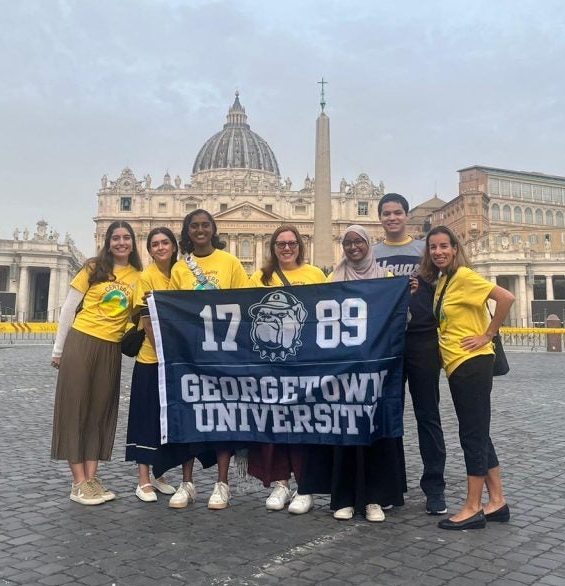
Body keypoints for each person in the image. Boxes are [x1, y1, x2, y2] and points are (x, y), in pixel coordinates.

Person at [299, 225, 407, 522]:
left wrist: (405, 294)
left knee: (375, 430)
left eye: (358, 241)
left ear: (368, 244)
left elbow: (401, 318)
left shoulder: (386, 278)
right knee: (343, 430)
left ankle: (374, 497)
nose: (353, 247)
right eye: (347, 243)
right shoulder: (334, 278)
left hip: (376, 368)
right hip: (342, 369)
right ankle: (343, 497)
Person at [419, 225, 514, 530]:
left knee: (471, 435)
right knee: (479, 432)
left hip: (471, 362)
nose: (439, 252)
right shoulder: (443, 280)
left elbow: (506, 297)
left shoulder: (464, 277)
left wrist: (488, 334)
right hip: (458, 364)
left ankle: (473, 507)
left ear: (456, 248)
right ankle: (496, 501)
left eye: (444, 246)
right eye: (433, 247)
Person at [50, 220, 142, 506]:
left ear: (133, 242)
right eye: (116, 238)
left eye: (126, 238)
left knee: (100, 411)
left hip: (111, 347)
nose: (121, 243)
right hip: (82, 340)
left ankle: (92, 478)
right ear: (108, 241)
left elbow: (139, 316)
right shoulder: (92, 267)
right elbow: (68, 308)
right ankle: (77, 482)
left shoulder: (138, 276)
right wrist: (58, 349)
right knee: (74, 408)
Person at [165, 209, 250, 510]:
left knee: (224, 412)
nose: (200, 230)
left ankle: (222, 483)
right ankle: (186, 483)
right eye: (194, 226)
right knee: (189, 411)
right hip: (190, 350)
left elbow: (245, 302)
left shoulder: (230, 262)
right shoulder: (179, 269)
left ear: (214, 230)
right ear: (187, 231)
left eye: (205, 226)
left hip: (223, 349)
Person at [373, 192, 447, 515]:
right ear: (380, 218)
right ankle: (391, 486)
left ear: (406, 216)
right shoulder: (371, 253)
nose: (392, 218)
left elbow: (443, 289)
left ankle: (435, 488)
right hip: (386, 342)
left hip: (422, 339)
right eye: (387, 213)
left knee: (428, 415)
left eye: (398, 212)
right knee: (389, 415)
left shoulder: (423, 250)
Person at [247, 225, 327, 515]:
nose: (286, 248)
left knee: (305, 421)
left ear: (301, 245)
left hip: (306, 362)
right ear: (273, 247)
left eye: (292, 243)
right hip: (271, 363)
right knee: (276, 420)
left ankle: (305, 485)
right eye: (280, 244)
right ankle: (281, 482)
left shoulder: (316, 275)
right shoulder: (260, 278)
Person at [125, 227, 181, 503]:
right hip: (151, 358)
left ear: (174, 246)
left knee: (168, 420)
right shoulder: (146, 277)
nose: (160, 248)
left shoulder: (182, 272)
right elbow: (147, 321)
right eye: (154, 244)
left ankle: (159, 474)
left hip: (177, 360)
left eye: (165, 243)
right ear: (149, 250)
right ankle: (143, 479)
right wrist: (166, 349)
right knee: (146, 418)